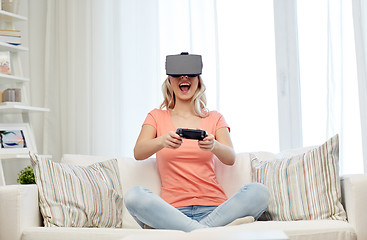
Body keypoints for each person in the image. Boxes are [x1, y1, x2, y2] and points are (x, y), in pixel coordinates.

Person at [124, 52, 269, 232]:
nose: (184, 78)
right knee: (134, 196)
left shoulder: (215, 118)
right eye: (178, 74)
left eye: (190, 74)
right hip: (172, 212)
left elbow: (230, 157)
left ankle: (191, 232)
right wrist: (162, 141)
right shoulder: (156, 116)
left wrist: (214, 146)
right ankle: (206, 232)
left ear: (198, 81)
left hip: (214, 210)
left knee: (259, 191)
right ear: (169, 81)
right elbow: (138, 152)